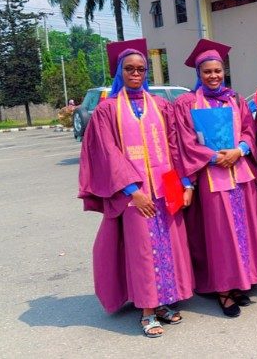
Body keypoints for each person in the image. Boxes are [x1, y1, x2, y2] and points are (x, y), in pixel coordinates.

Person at [78, 41, 195, 338]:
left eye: (141, 69)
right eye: (129, 69)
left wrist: (185, 182)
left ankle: (164, 302)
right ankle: (146, 310)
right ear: (120, 71)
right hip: (134, 193)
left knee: (168, 245)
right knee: (144, 250)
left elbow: (174, 146)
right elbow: (107, 153)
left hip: (165, 186)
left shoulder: (160, 106)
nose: (136, 74)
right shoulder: (107, 110)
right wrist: (133, 190)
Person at [170, 39, 257, 318]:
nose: (213, 76)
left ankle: (239, 282)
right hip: (211, 177)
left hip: (240, 174)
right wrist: (215, 157)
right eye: (207, 72)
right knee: (220, 235)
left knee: (244, 230)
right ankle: (223, 290)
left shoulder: (235, 99)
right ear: (198, 74)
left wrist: (239, 151)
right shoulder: (187, 103)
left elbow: (249, 131)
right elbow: (185, 142)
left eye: (217, 71)